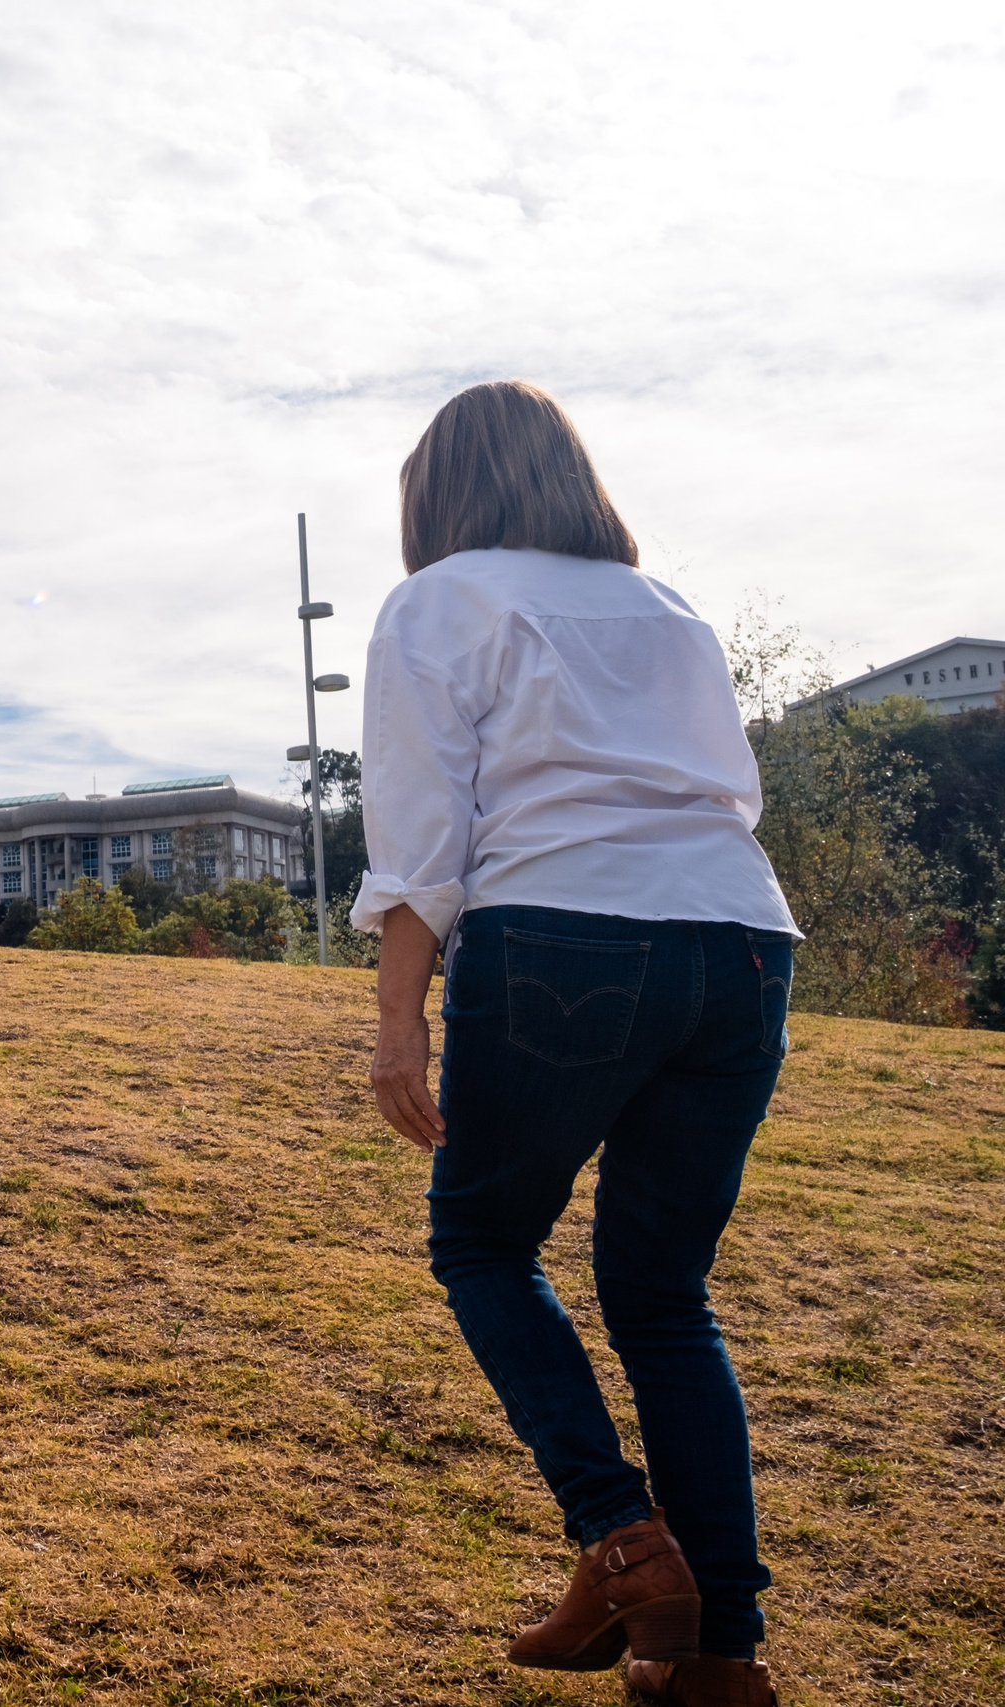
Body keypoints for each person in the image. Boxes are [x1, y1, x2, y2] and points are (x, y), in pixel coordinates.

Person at [355, 381, 799, 1707]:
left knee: (481, 1238)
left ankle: (619, 1538)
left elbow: (424, 838)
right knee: (664, 1292)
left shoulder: (439, 599)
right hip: (741, 938)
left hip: (565, 933)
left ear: (437, 491)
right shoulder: (668, 608)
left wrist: (394, 1023)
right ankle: (719, 1649)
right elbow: (730, 785)